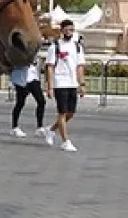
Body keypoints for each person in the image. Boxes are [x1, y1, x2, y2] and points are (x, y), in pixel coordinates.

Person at [45, 20, 86, 153]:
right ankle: (65, 141)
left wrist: (82, 84)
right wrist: (50, 87)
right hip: (60, 82)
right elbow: (50, 67)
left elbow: (80, 66)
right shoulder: (55, 46)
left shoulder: (77, 47)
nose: (69, 32)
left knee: (70, 113)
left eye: (71, 30)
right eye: (67, 30)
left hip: (72, 83)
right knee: (62, 112)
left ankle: (51, 129)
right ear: (62, 30)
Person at [10, 59, 47, 139]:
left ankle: (40, 127)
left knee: (41, 101)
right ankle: (14, 127)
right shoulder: (17, 51)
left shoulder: (34, 50)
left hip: (33, 79)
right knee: (20, 103)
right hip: (21, 79)